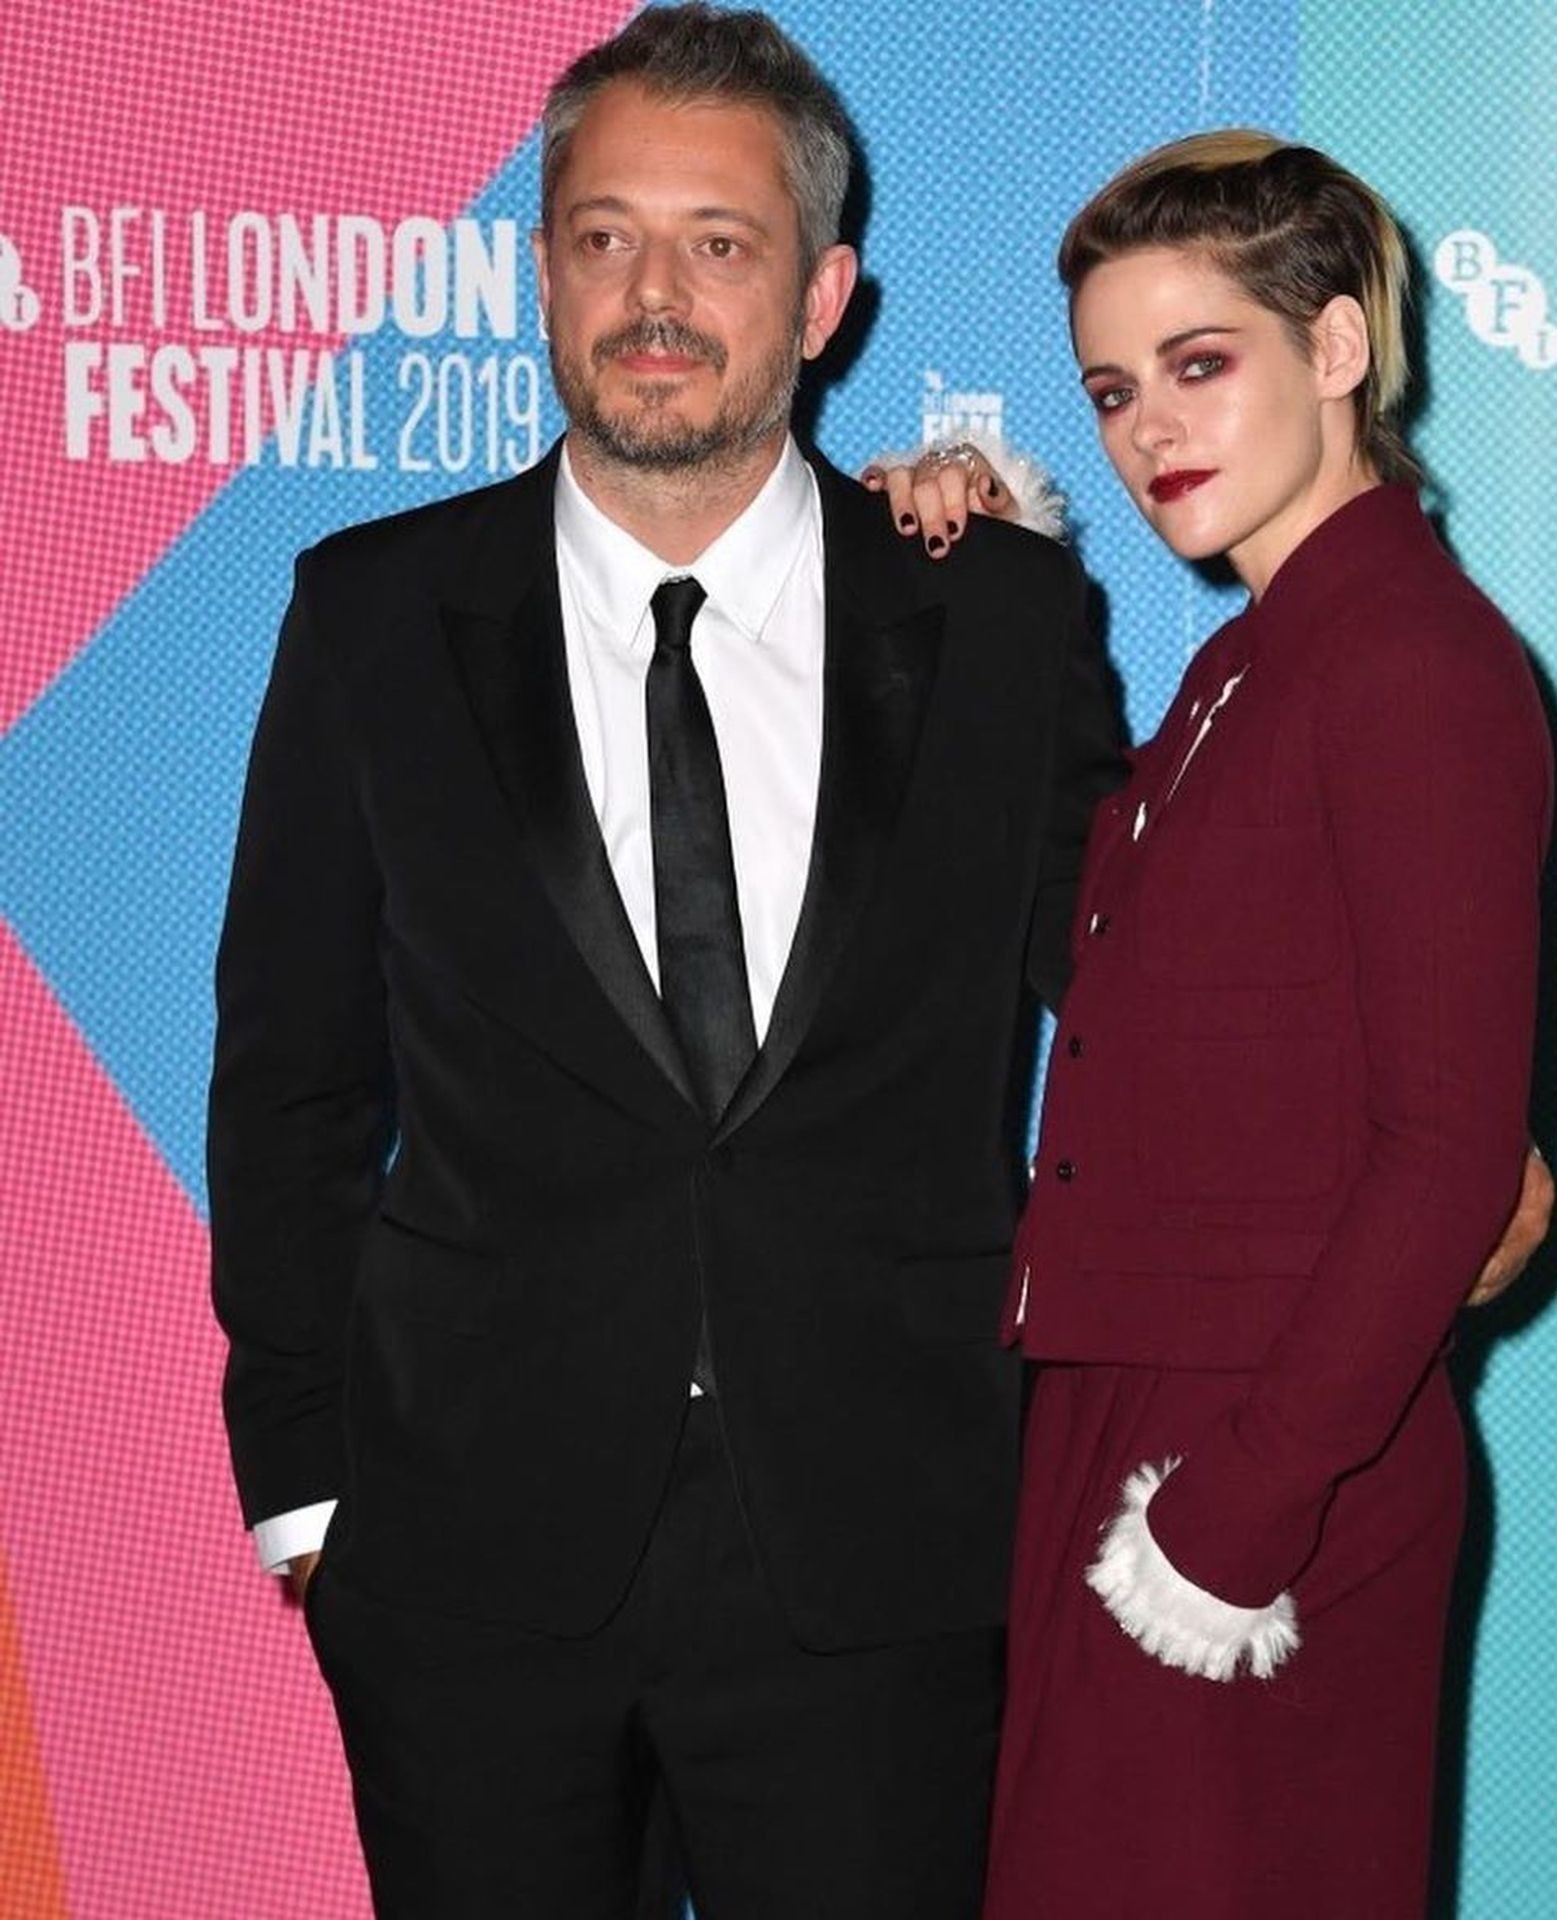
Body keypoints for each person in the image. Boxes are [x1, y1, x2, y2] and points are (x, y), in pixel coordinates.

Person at [205, 8, 1125, 1916]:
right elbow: (291, 1074)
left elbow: (1145, 1006)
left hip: (884, 1561)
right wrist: (303, 1485)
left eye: (720, 243)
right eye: (604, 235)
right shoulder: (374, 613)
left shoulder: (1001, 619)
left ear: (824, 297)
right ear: (541, 273)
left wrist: (1402, 1128)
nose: (655, 296)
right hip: (465, 1570)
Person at [875, 131, 1555, 1917]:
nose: (1147, 431)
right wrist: (1006, 573)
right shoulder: (1256, 660)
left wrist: (1232, 1516)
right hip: (1144, 1426)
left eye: (1198, 364)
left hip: (1263, 1466)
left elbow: (1451, 1158)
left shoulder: (1411, 662)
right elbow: (1104, 951)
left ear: (1336, 346)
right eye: (1112, 390)